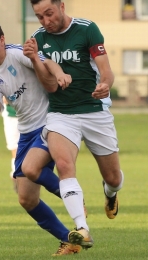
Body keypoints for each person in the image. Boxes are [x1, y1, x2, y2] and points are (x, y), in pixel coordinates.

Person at [0, 19, 83, 256]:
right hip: (25, 132)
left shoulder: (17, 54)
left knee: (31, 169)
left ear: (1, 39)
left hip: (49, 123)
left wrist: (61, 72)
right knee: (26, 199)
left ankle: (72, 197)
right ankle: (69, 240)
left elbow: (48, 63)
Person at [24, 0, 125, 249]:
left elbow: (106, 70)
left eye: (49, 13)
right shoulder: (38, 39)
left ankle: (110, 193)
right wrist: (37, 60)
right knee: (64, 165)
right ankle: (82, 228)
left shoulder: (87, 29)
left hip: (94, 112)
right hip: (61, 114)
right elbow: (49, 86)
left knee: (113, 177)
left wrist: (104, 84)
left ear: (61, 6)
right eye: (39, 17)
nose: (46, 21)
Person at [1, 96, 19, 191]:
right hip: (11, 117)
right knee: (15, 149)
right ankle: (16, 176)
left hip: (30, 115)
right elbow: (4, 98)